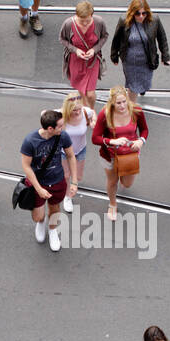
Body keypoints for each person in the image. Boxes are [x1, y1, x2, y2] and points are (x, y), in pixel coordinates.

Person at [19, 109, 78, 252]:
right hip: (39, 183)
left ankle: (52, 231)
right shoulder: (30, 141)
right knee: (38, 216)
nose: (63, 128)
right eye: (60, 126)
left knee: (55, 208)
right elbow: (26, 167)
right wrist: (39, 189)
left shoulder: (62, 136)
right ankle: (41, 222)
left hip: (57, 180)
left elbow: (70, 156)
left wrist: (74, 181)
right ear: (50, 129)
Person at [91, 85, 149, 221]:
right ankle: (112, 204)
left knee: (127, 184)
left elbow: (145, 130)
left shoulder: (136, 110)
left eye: (124, 101)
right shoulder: (105, 114)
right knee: (112, 181)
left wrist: (141, 140)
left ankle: (123, 179)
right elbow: (95, 138)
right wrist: (112, 141)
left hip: (130, 154)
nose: (122, 106)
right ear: (112, 102)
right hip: (109, 155)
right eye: (118, 103)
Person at [110, 0, 170, 103]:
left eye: (144, 13)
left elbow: (162, 38)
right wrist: (114, 56)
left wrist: (165, 56)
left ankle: (141, 89)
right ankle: (131, 108)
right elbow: (117, 39)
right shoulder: (124, 20)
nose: (141, 16)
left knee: (144, 82)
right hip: (130, 61)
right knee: (132, 87)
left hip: (146, 60)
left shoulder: (154, 20)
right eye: (137, 14)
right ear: (132, 13)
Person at [60, 1, 108, 107]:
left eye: (88, 20)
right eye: (82, 21)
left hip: (92, 60)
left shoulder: (99, 22)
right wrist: (75, 50)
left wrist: (94, 49)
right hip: (76, 60)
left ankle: (90, 111)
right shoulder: (68, 24)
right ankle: (89, 114)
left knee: (90, 94)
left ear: (92, 15)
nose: (85, 23)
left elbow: (104, 36)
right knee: (82, 92)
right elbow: (62, 39)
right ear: (76, 16)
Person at [60, 92, 96, 212]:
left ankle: (73, 185)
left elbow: (93, 112)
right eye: (74, 110)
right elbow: (44, 113)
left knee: (78, 176)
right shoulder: (61, 114)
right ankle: (67, 197)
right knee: (66, 175)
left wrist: (92, 121)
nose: (77, 112)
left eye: (79, 109)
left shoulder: (85, 112)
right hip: (64, 151)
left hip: (80, 149)